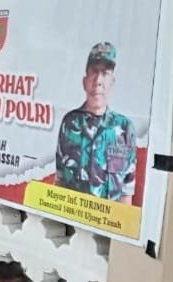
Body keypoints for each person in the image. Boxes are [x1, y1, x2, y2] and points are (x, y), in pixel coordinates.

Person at [55, 42, 136, 204]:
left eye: (105, 73)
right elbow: (59, 181)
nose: (98, 81)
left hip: (107, 218)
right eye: (94, 71)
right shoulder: (69, 123)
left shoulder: (124, 128)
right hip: (73, 215)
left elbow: (126, 192)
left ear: (112, 82)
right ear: (84, 81)